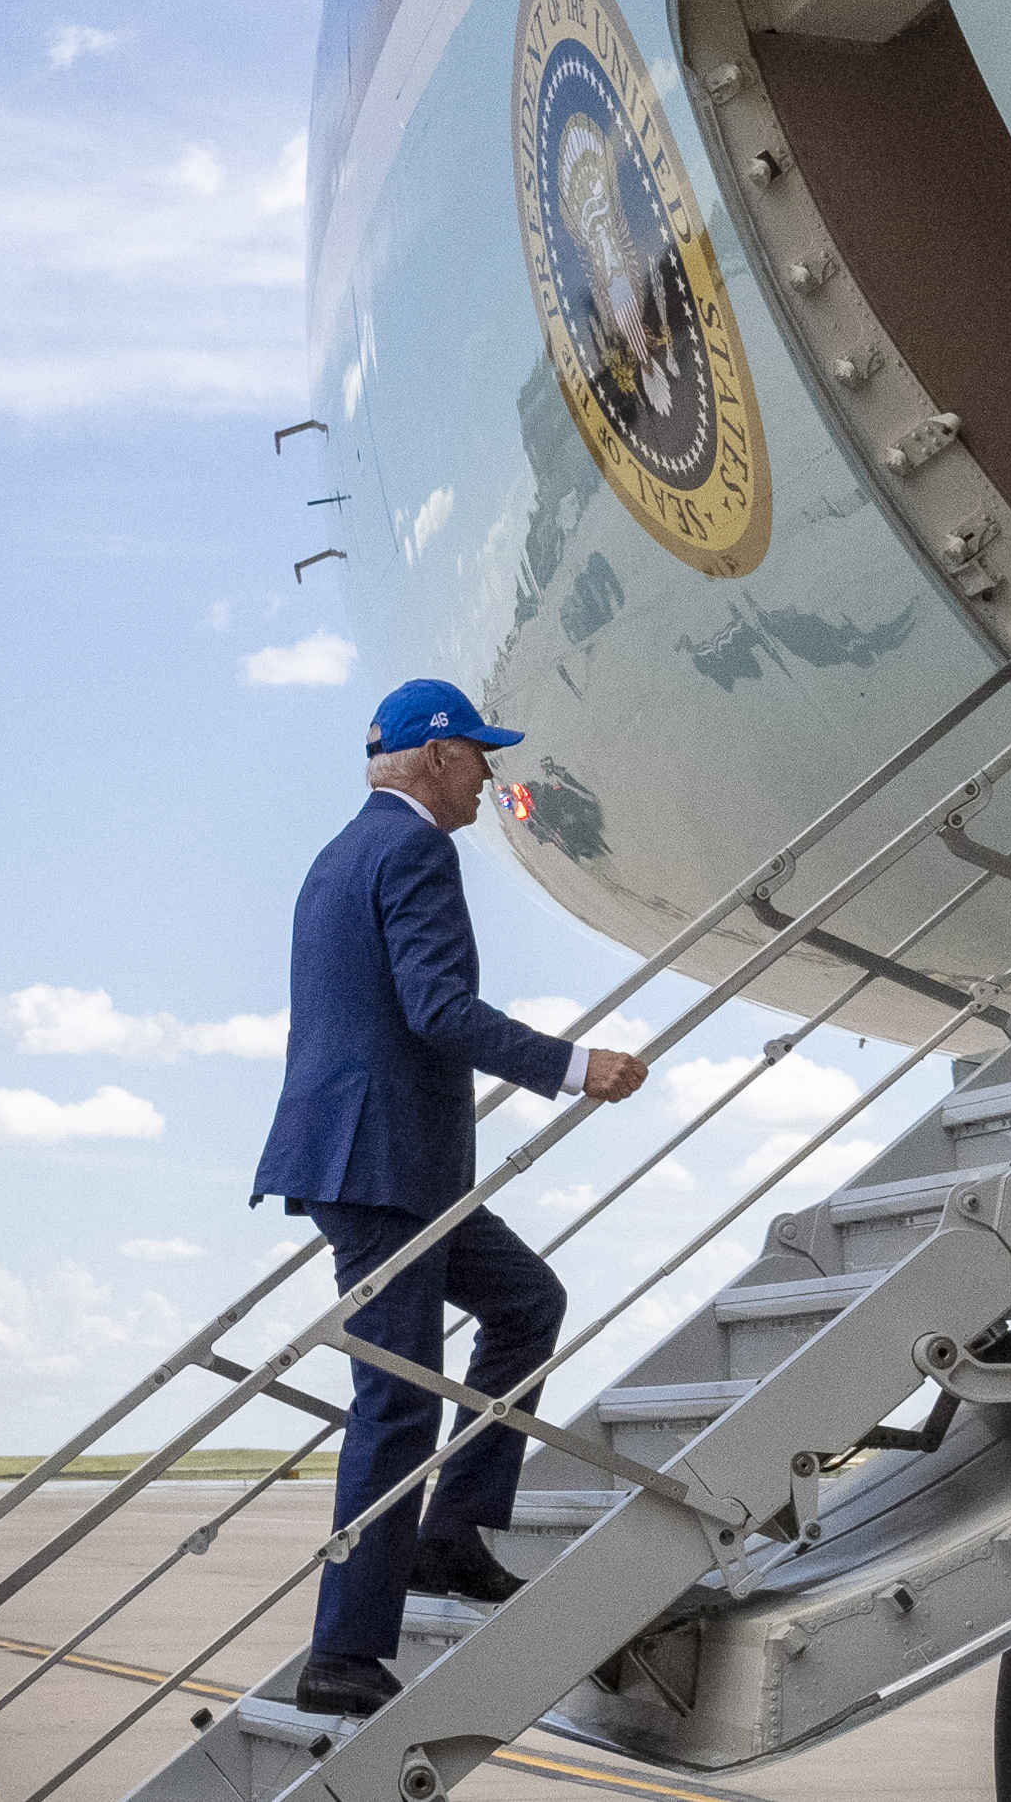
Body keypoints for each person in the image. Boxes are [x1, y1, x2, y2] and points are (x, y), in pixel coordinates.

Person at [247, 678, 649, 1720]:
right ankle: (342, 1648)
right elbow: (437, 1007)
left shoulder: (340, 852)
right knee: (397, 1394)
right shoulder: (419, 848)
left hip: (383, 1163)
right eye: (480, 753)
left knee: (525, 1301)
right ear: (436, 758)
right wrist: (573, 1065)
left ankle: (452, 1533)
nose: (489, 773)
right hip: (384, 1165)